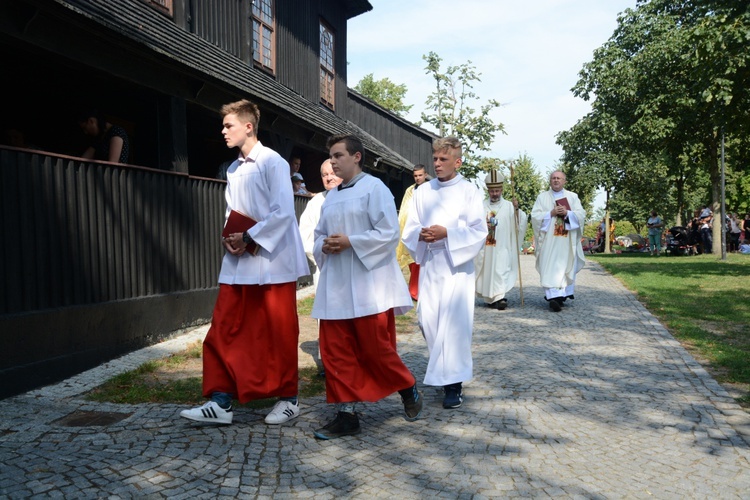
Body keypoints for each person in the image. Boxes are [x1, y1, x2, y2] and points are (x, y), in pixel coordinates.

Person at [179, 99, 309, 426]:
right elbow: (231, 212)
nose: (223, 131)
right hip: (238, 261)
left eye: (229, 125)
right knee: (224, 326)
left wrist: (249, 237)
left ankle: (289, 398)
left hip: (273, 262)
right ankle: (221, 401)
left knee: (277, 331)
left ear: (248, 126)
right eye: (223, 126)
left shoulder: (273, 162)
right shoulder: (234, 169)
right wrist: (230, 236)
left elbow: (282, 212)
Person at [311, 133, 422, 439]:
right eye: (331, 157)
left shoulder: (375, 189)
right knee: (336, 352)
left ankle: (407, 385)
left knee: (375, 350)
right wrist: (326, 244)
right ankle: (346, 415)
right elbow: (318, 235)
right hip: (336, 285)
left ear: (356, 157)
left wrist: (351, 242)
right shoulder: (331, 197)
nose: (332, 162)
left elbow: (388, 234)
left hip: (367, 285)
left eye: (338, 156)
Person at [402, 136, 487, 410]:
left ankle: (454, 384)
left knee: (454, 325)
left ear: (457, 162)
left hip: (456, 268)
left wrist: (447, 233)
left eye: (443, 159)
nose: (436, 164)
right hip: (430, 265)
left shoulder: (469, 191)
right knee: (429, 321)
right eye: (435, 159)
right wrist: (421, 235)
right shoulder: (422, 192)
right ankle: (442, 370)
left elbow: (478, 231)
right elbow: (410, 227)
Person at [530, 170, 586, 312]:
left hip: (566, 241)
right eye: (553, 178)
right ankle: (553, 297)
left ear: (564, 181)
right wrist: (551, 213)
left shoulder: (573, 197)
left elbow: (581, 214)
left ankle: (560, 296)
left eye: (559, 178)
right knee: (549, 266)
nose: (556, 180)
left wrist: (568, 213)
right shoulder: (542, 198)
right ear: (550, 180)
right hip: (549, 242)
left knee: (565, 266)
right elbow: (535, 216)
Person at [474, 169, 527, 310]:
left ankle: (500, 297)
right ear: (488, 190)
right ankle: (491, 299)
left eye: (497, 190)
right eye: (492, 191)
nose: (495, 194)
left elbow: (519, 224)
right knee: (488, 271)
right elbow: (473, 224)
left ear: (502, 189)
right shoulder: (481, 206)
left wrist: (516, 211)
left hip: (503, 246)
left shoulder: (509, 206)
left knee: (501, 270)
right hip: (486, 247)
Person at [298, 159, 343, 287]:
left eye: (333, 173)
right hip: (325, 266)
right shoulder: (315, 203)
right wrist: (323, 251)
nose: (329, 178)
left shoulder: (356, 197)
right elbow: (305, 236)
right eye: (325, 175)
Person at [396, 164, 428, 301]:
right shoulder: (410, 190)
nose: (418, 178)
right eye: (415, 176)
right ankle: (413, 290)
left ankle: (419, 290)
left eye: (420, 175)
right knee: (411, 262)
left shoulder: (430, 189)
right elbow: (404, 209)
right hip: (410, 230)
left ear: (425, 175)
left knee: (421, 262)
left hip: (423, 230)